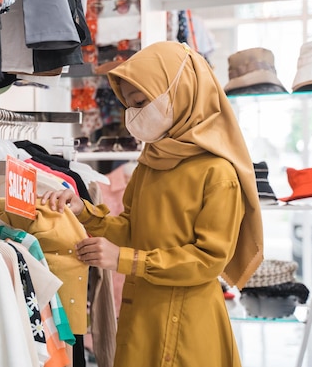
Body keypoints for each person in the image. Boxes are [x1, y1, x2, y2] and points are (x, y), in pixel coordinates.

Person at [41, 41, 263, 366]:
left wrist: (125, 260)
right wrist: (84, 212)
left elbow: (208, 259)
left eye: (142, 102)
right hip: (142, 313)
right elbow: (133, 229)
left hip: (186, 321)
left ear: (181, 90)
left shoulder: (217, 172)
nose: (135, 114)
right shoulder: (151, 162)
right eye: (129, 105)